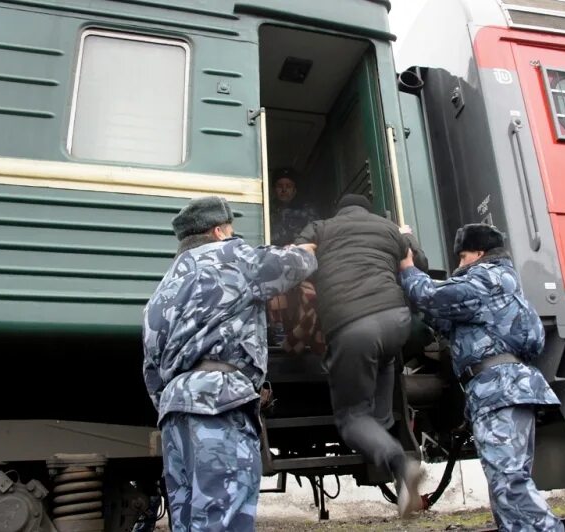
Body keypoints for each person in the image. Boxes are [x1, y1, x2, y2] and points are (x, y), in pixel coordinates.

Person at [142, 196, 317, 531]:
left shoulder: (164, 287)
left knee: (189, 522)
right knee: (223, 521)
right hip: (219, 406)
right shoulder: (231, 256)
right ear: (220, 231)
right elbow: (291, 266)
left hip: (174, 415)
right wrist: (308, 250)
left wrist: (174, 402)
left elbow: (151, 368)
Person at [398, 223, 563, 531]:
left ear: (479, 253)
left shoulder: (487, 278)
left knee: (508, 482)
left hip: (499, 391)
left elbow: (431, 295)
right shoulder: (498, 285)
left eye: (462, 257)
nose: (459, 265)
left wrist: (407, 267)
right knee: (505, 481)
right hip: (504, 391)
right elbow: (446, 317)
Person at [295, 193, 423, 517]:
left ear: (339, 211)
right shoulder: (388, 228)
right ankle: (400, 481)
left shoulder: (320, 228)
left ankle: (398, 462)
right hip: (397, 322)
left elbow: (297, 263)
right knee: (378, 409)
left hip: (353, 328)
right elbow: (417, 262)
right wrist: (406, 235)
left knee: (352, 418)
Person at [270, 167, 318, 246]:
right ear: (274, 190)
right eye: (279, 186)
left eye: (288, 186)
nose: (284, 189)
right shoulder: (266, 211)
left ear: (294, 190)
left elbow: (314, 236)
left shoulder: (307, 211)